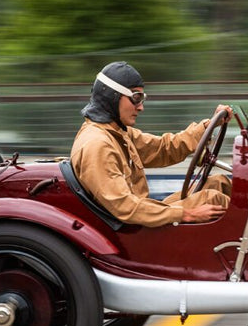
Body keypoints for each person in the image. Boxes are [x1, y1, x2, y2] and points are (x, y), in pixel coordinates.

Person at [69, 61, 231, 226]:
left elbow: (163, 149)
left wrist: (207, 126)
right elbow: (125, 206)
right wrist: (185, 214)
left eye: (142, 99)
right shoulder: (98, 145)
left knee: (219, 182)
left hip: (143, 215)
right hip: (136, 230)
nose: (140, 108)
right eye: (135, 98)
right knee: (214, 200)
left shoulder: (118, 133)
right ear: (112, 97)